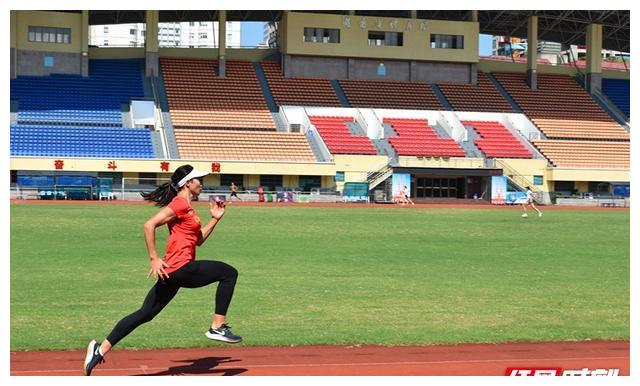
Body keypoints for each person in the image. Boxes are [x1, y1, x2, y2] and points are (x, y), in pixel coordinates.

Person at [83, 165, 242, 376]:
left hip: (172, 273)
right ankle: (217, 326)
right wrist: (154, 258)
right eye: (198, 180)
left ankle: (99, 349)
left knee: (145, 314)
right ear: (188, 184)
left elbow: (198, 241)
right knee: (229, 273)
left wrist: (215, 218)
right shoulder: (179, 204)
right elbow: (149, 225)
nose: (201, 184)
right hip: (180, 268)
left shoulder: (187, 206)